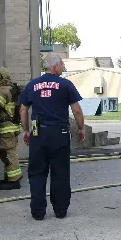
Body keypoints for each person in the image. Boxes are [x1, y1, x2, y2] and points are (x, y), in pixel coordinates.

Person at [19, 53, 85, 220]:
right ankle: (60, 210)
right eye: (62, 65)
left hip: (38, 133)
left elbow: (23, 109)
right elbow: (76, 110)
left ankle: (38, 212)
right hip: (60, 134)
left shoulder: (32, 85)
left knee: (37, 173)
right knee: (60, 172)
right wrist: (81, 128)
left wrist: (26, 130)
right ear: (55, 66)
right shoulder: (65, 84)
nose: (63, 68)